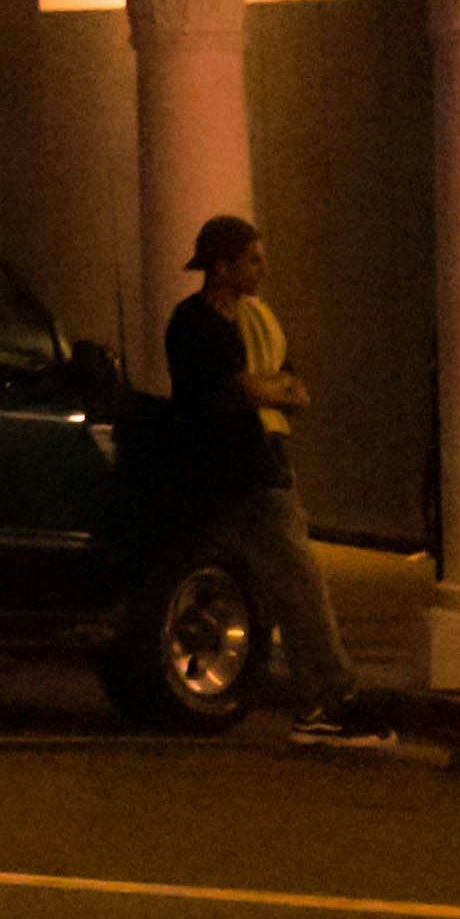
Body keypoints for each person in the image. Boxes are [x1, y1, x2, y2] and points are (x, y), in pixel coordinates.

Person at [166, 211, 359, 737]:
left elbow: (293, 390)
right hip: (230, 474)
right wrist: (257, 388)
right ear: (222, 267)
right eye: (252, 261)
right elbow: (225, 393)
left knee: (275, 584)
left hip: (263, 465)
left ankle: (303, 692)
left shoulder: (257, 322)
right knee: (298, 584)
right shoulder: (192, 323)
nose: (262, 270)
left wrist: (258, 387)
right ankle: (328, 700)